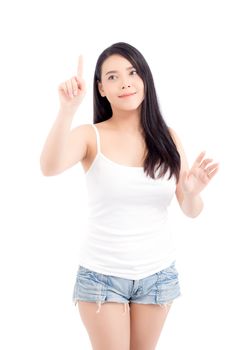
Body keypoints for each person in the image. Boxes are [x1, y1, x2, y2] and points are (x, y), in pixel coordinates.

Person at [40, 42, 219, 350]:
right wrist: (67, 109)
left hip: (158, 276)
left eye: (132, 72)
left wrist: (190, 192)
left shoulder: (168, 137)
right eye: (112, 77)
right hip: (102, 278)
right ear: (101, 89)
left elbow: (190, 209)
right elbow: (49, 166)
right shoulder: (90, 135)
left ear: (145, 80)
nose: (124, 82)